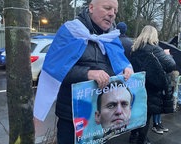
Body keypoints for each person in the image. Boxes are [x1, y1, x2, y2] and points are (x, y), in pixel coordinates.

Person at [33, 0, 133, 144]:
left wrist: (126, 69)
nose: (112, 14)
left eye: (115, 11)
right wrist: (88, 73)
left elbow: (121, 63)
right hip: (71, 116)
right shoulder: (70, 31)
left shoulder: (112, 37)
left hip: (101, 116)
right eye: (107, 8)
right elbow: (54, 70)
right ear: (91, 8)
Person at [129, 25, 176, 144]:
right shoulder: (155, 49)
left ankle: (133, 136)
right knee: (146, 115)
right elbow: (171, 65)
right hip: (152, 86)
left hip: (137, 85)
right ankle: (142, 140)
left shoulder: (135, 48)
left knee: (136, 112)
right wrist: (168, 55)